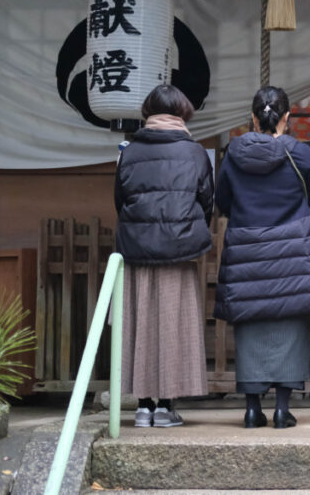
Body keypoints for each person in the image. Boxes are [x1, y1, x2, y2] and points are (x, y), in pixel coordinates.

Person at [213, 86, 310, 429]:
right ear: (286, 118)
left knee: (250, 323)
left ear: (253, 118)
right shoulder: (300, 154)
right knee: (290, 323)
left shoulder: (234, 154)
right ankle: (282, 408)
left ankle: (252, 408)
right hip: (292, 251)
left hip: (246, 250)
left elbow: (222, 200)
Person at [114, 84, 213, 429]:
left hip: (138, 249)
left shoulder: (129, 152)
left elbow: (120, 200)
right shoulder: (196, 152)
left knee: (141, 324)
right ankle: (167, 406)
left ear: (148, 114)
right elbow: (207, 203)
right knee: (172, 324)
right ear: (182, 113)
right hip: (179, 249)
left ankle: (142, 406)